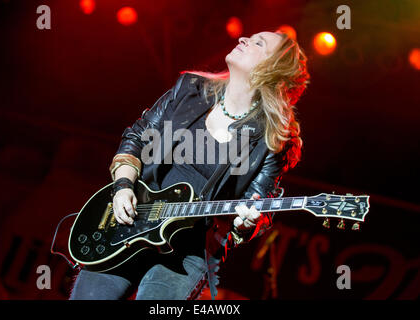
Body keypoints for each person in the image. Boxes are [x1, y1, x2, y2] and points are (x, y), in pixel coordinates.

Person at [69, 30, 310, 300]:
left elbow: (257, 207)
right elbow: (137, 136)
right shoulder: (190, 89)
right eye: (249, 37)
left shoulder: (271, 141)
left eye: (258, 43)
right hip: (130, 221)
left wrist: (246, 222)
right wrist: (123, 186)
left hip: (189, 251)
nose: (243, 39)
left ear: (273, 69)